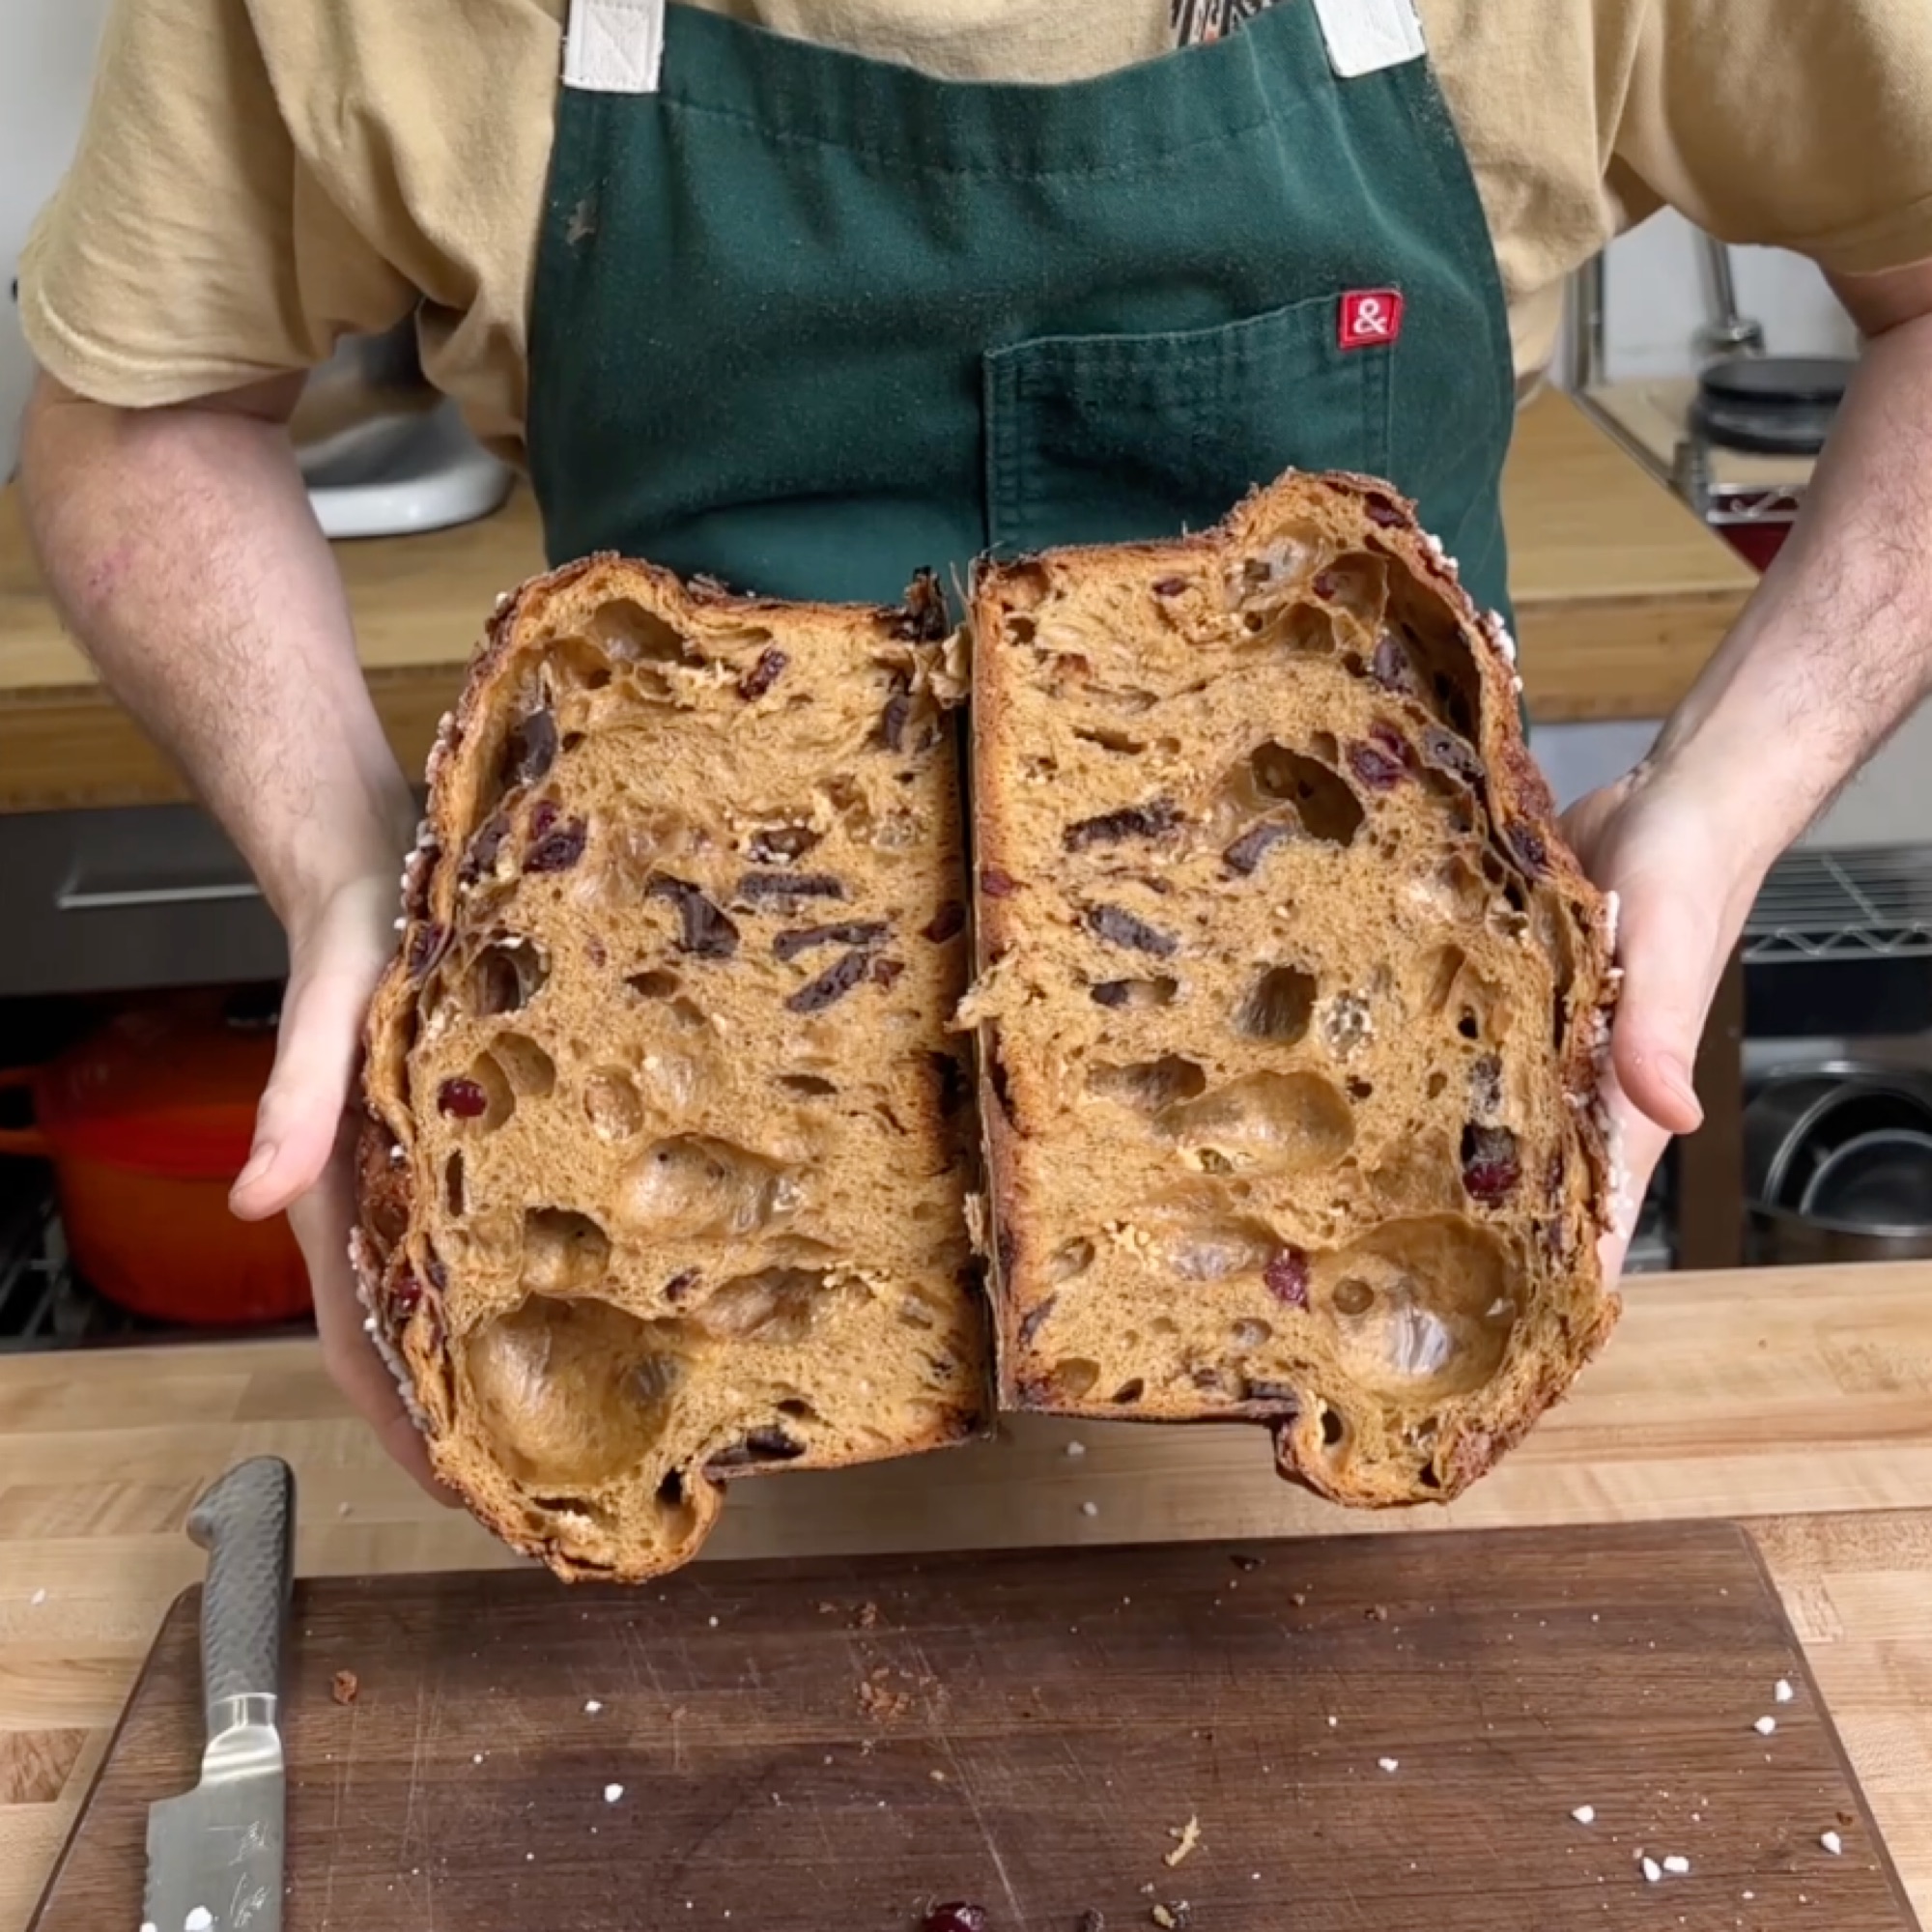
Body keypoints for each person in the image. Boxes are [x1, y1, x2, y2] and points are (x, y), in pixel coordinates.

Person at [14, 0, 1932, 1490]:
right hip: (663, 1295)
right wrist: (358, 865)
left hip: (1375, 1322)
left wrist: (1721, 800)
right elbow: (142, 416)